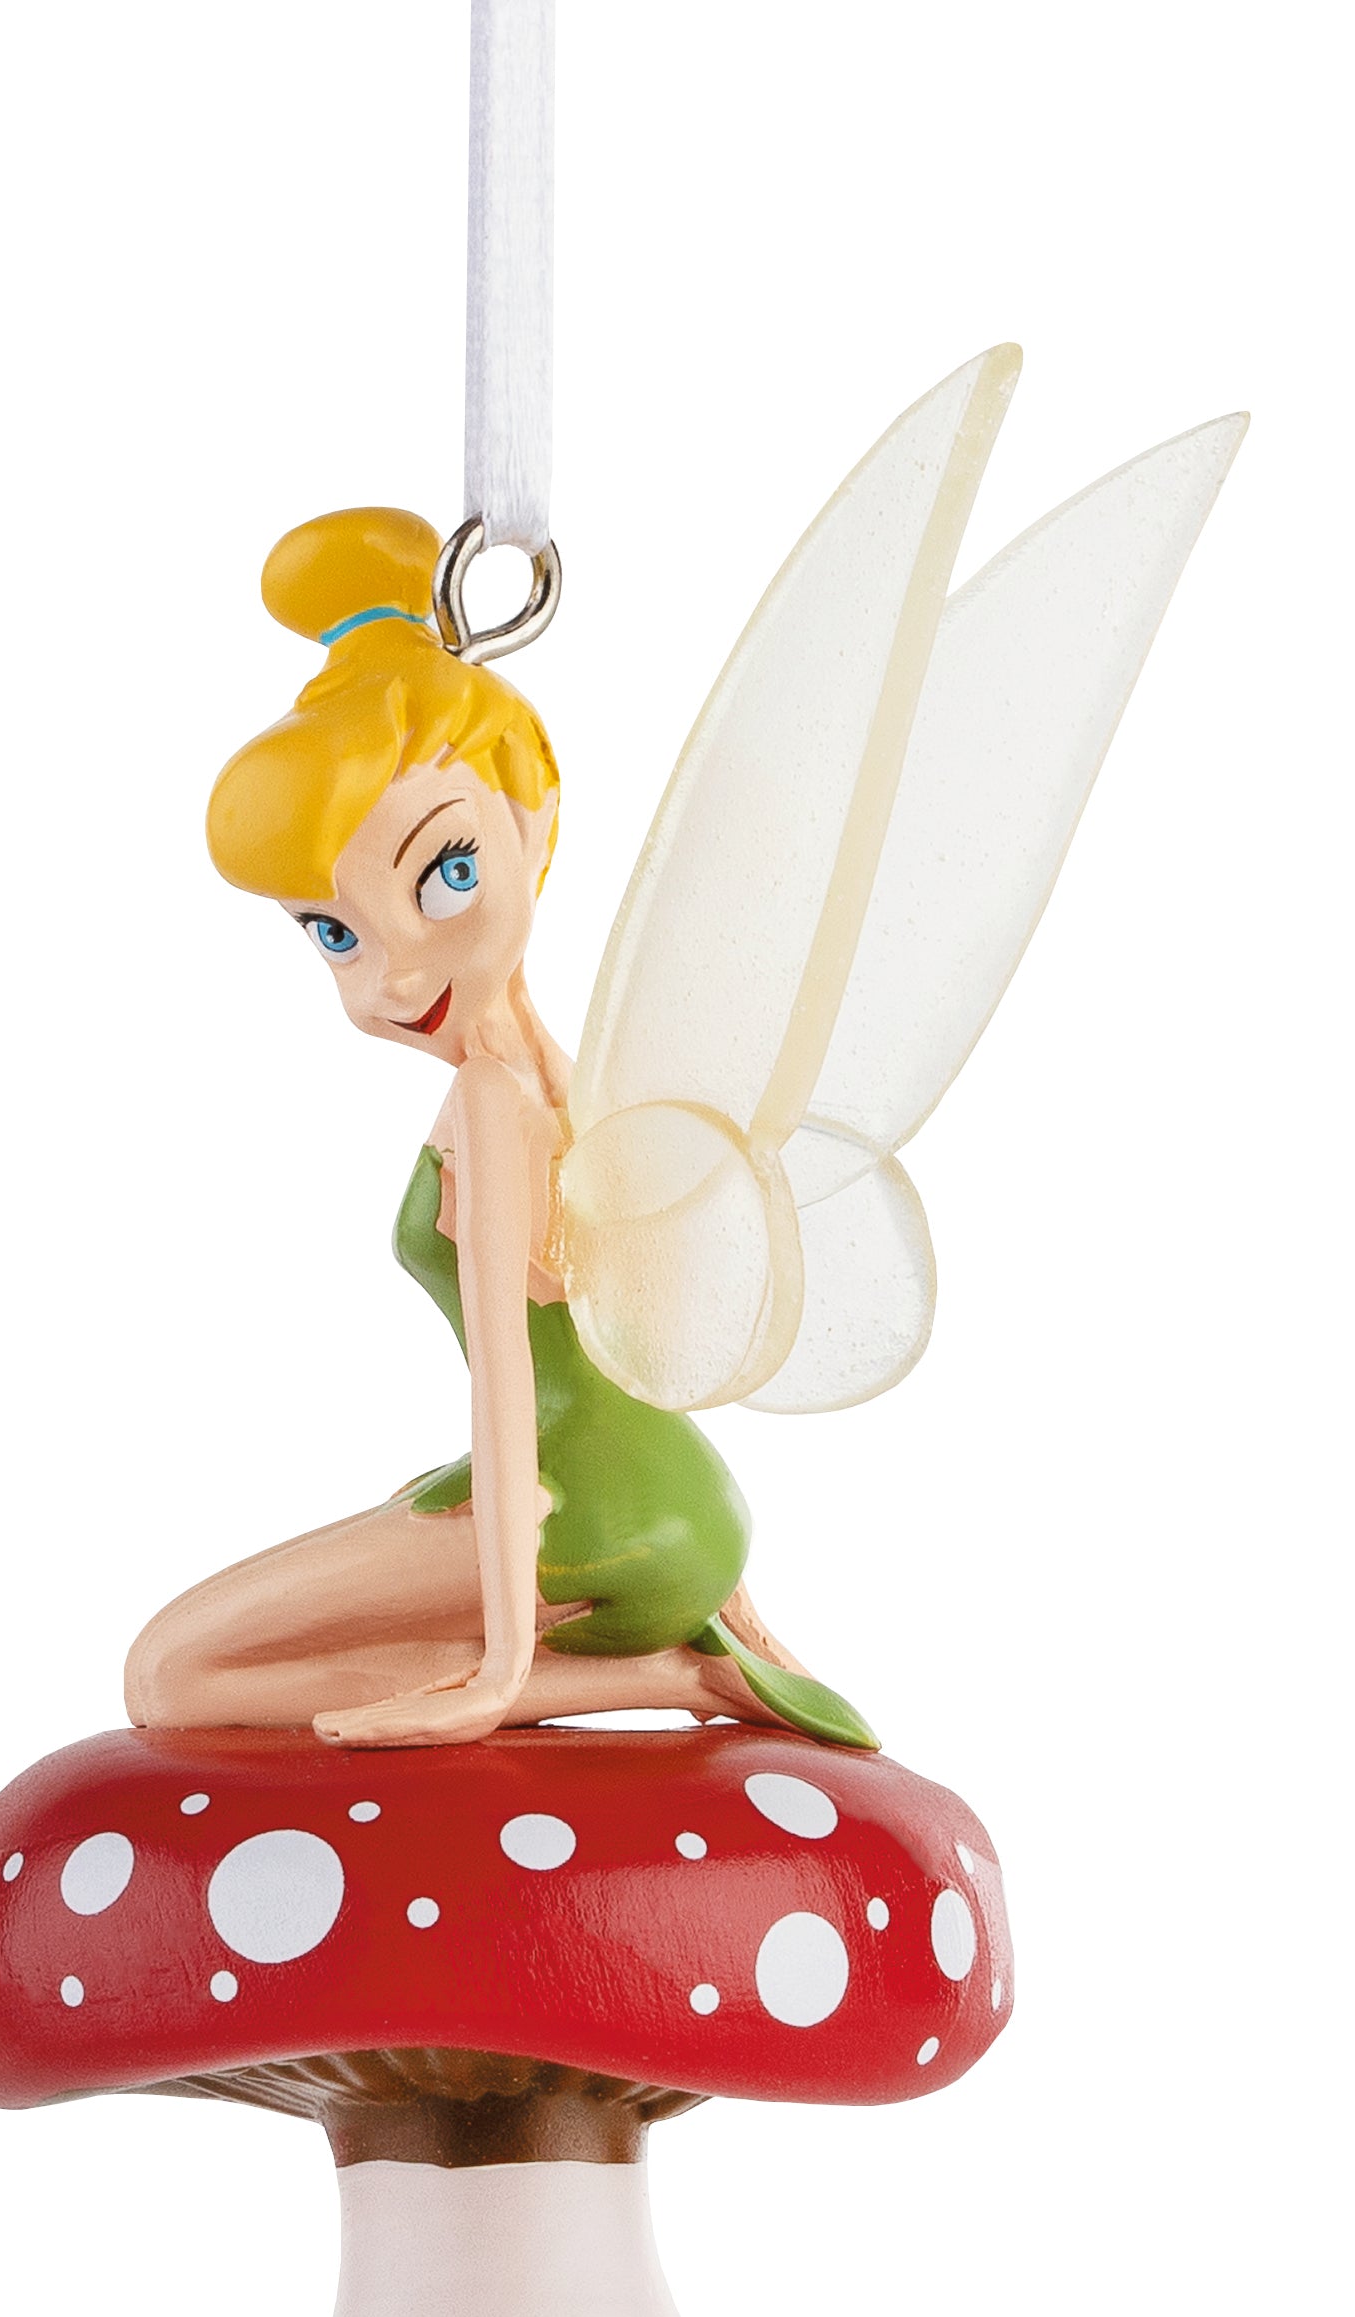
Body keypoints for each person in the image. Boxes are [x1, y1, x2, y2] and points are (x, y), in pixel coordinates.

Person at [124, 506, 872, 1752]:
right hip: (677, 1500)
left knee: (168, 1678)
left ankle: (663, 1679)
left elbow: (511, 1385)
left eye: (447, 873)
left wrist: (500, 1669)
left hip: (585, 1510)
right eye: (335, 933)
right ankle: (683, 1646)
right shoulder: (577, 1080)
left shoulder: (490, 1099)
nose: (394, 972)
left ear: (536, 820)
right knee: (295, 1629)